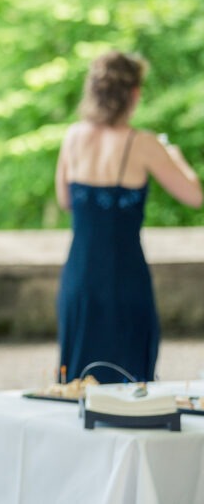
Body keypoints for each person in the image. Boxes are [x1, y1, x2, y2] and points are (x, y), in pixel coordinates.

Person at [55, 51, 201, 384]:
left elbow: (65, 200)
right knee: (129, 377)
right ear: (134, 94)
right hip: (124, 276)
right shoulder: (143, 143)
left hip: (80, 275)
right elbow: (194, 196)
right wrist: (177, 157)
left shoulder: (73, 136)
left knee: (79, 378)